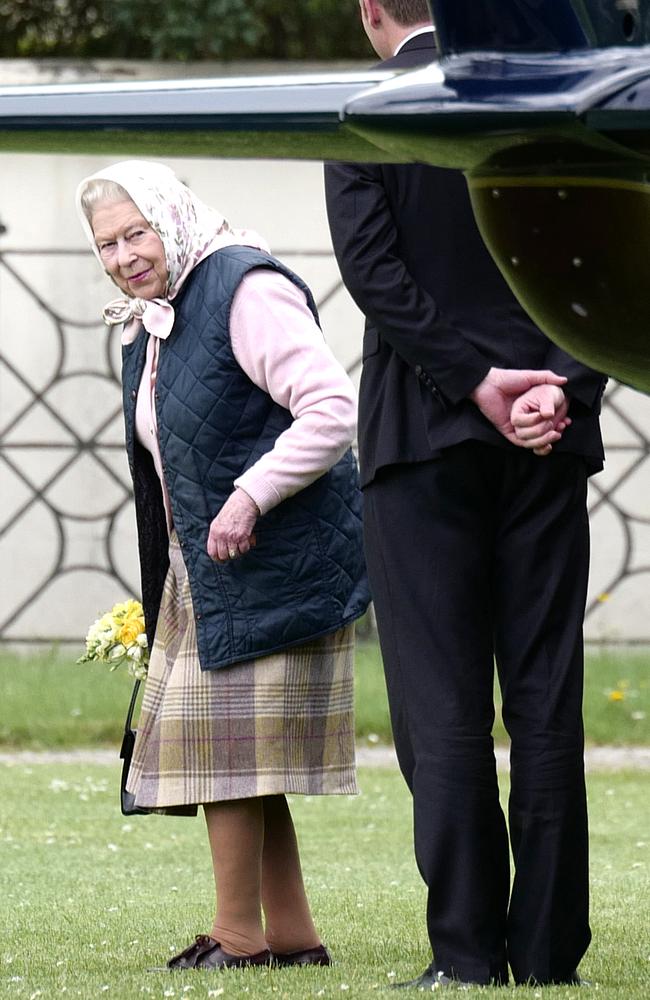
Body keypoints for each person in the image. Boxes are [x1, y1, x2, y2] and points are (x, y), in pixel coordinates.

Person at [324, 0, 606, 989]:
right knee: (542, 698)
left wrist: (468, 382)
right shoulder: (552, 99)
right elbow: (608, 259)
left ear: (372, 10)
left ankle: (465, 954)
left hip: (420, 434)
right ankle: (544, 953)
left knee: (439, 707)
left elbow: (373, 271)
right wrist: (559, 385)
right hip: (546, 434)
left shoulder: (368, 107)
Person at [76, 160, 369, 971]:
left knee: (227, 756)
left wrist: (248, 497)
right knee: (238, 756)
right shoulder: (155, 315)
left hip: (275, 560)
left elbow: (331, 408)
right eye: (107, 244)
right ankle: (293, 937)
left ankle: (237, 938)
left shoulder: (244, 287)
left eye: (137, 233)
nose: (126, 255)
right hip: (206, 569)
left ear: (171, 218)